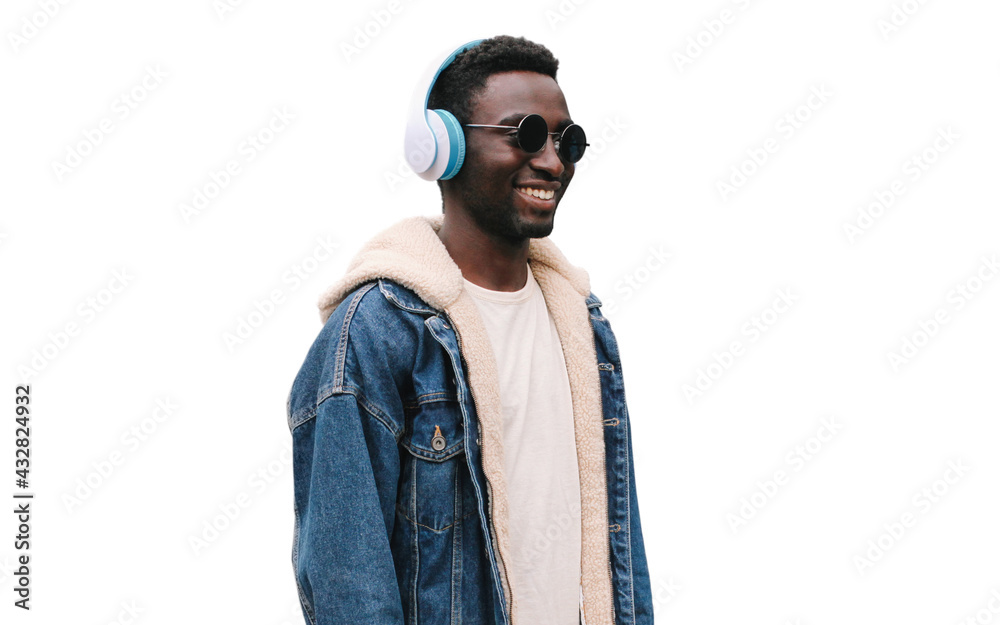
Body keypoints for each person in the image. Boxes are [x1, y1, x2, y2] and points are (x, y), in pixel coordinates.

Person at [287, 35, 652, 625]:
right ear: (443, 148)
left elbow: (620, 548)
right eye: (526, 134)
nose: (553, 162)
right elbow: (346, 582)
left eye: (568, 141)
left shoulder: (587, 331)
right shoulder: (376, 335)